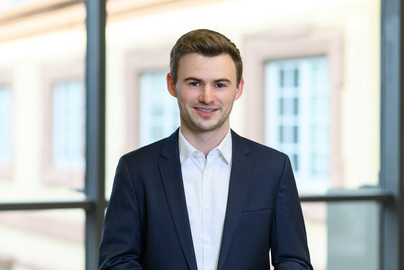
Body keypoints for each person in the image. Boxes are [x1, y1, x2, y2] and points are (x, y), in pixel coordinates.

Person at [99, 29, 313, 270]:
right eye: (194, 83)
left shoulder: (274, 168)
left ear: (238, 89)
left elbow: (294, 261)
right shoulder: (135, 169)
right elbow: (116, 262)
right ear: (172, 84)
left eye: (220, 84)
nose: (207, 97)